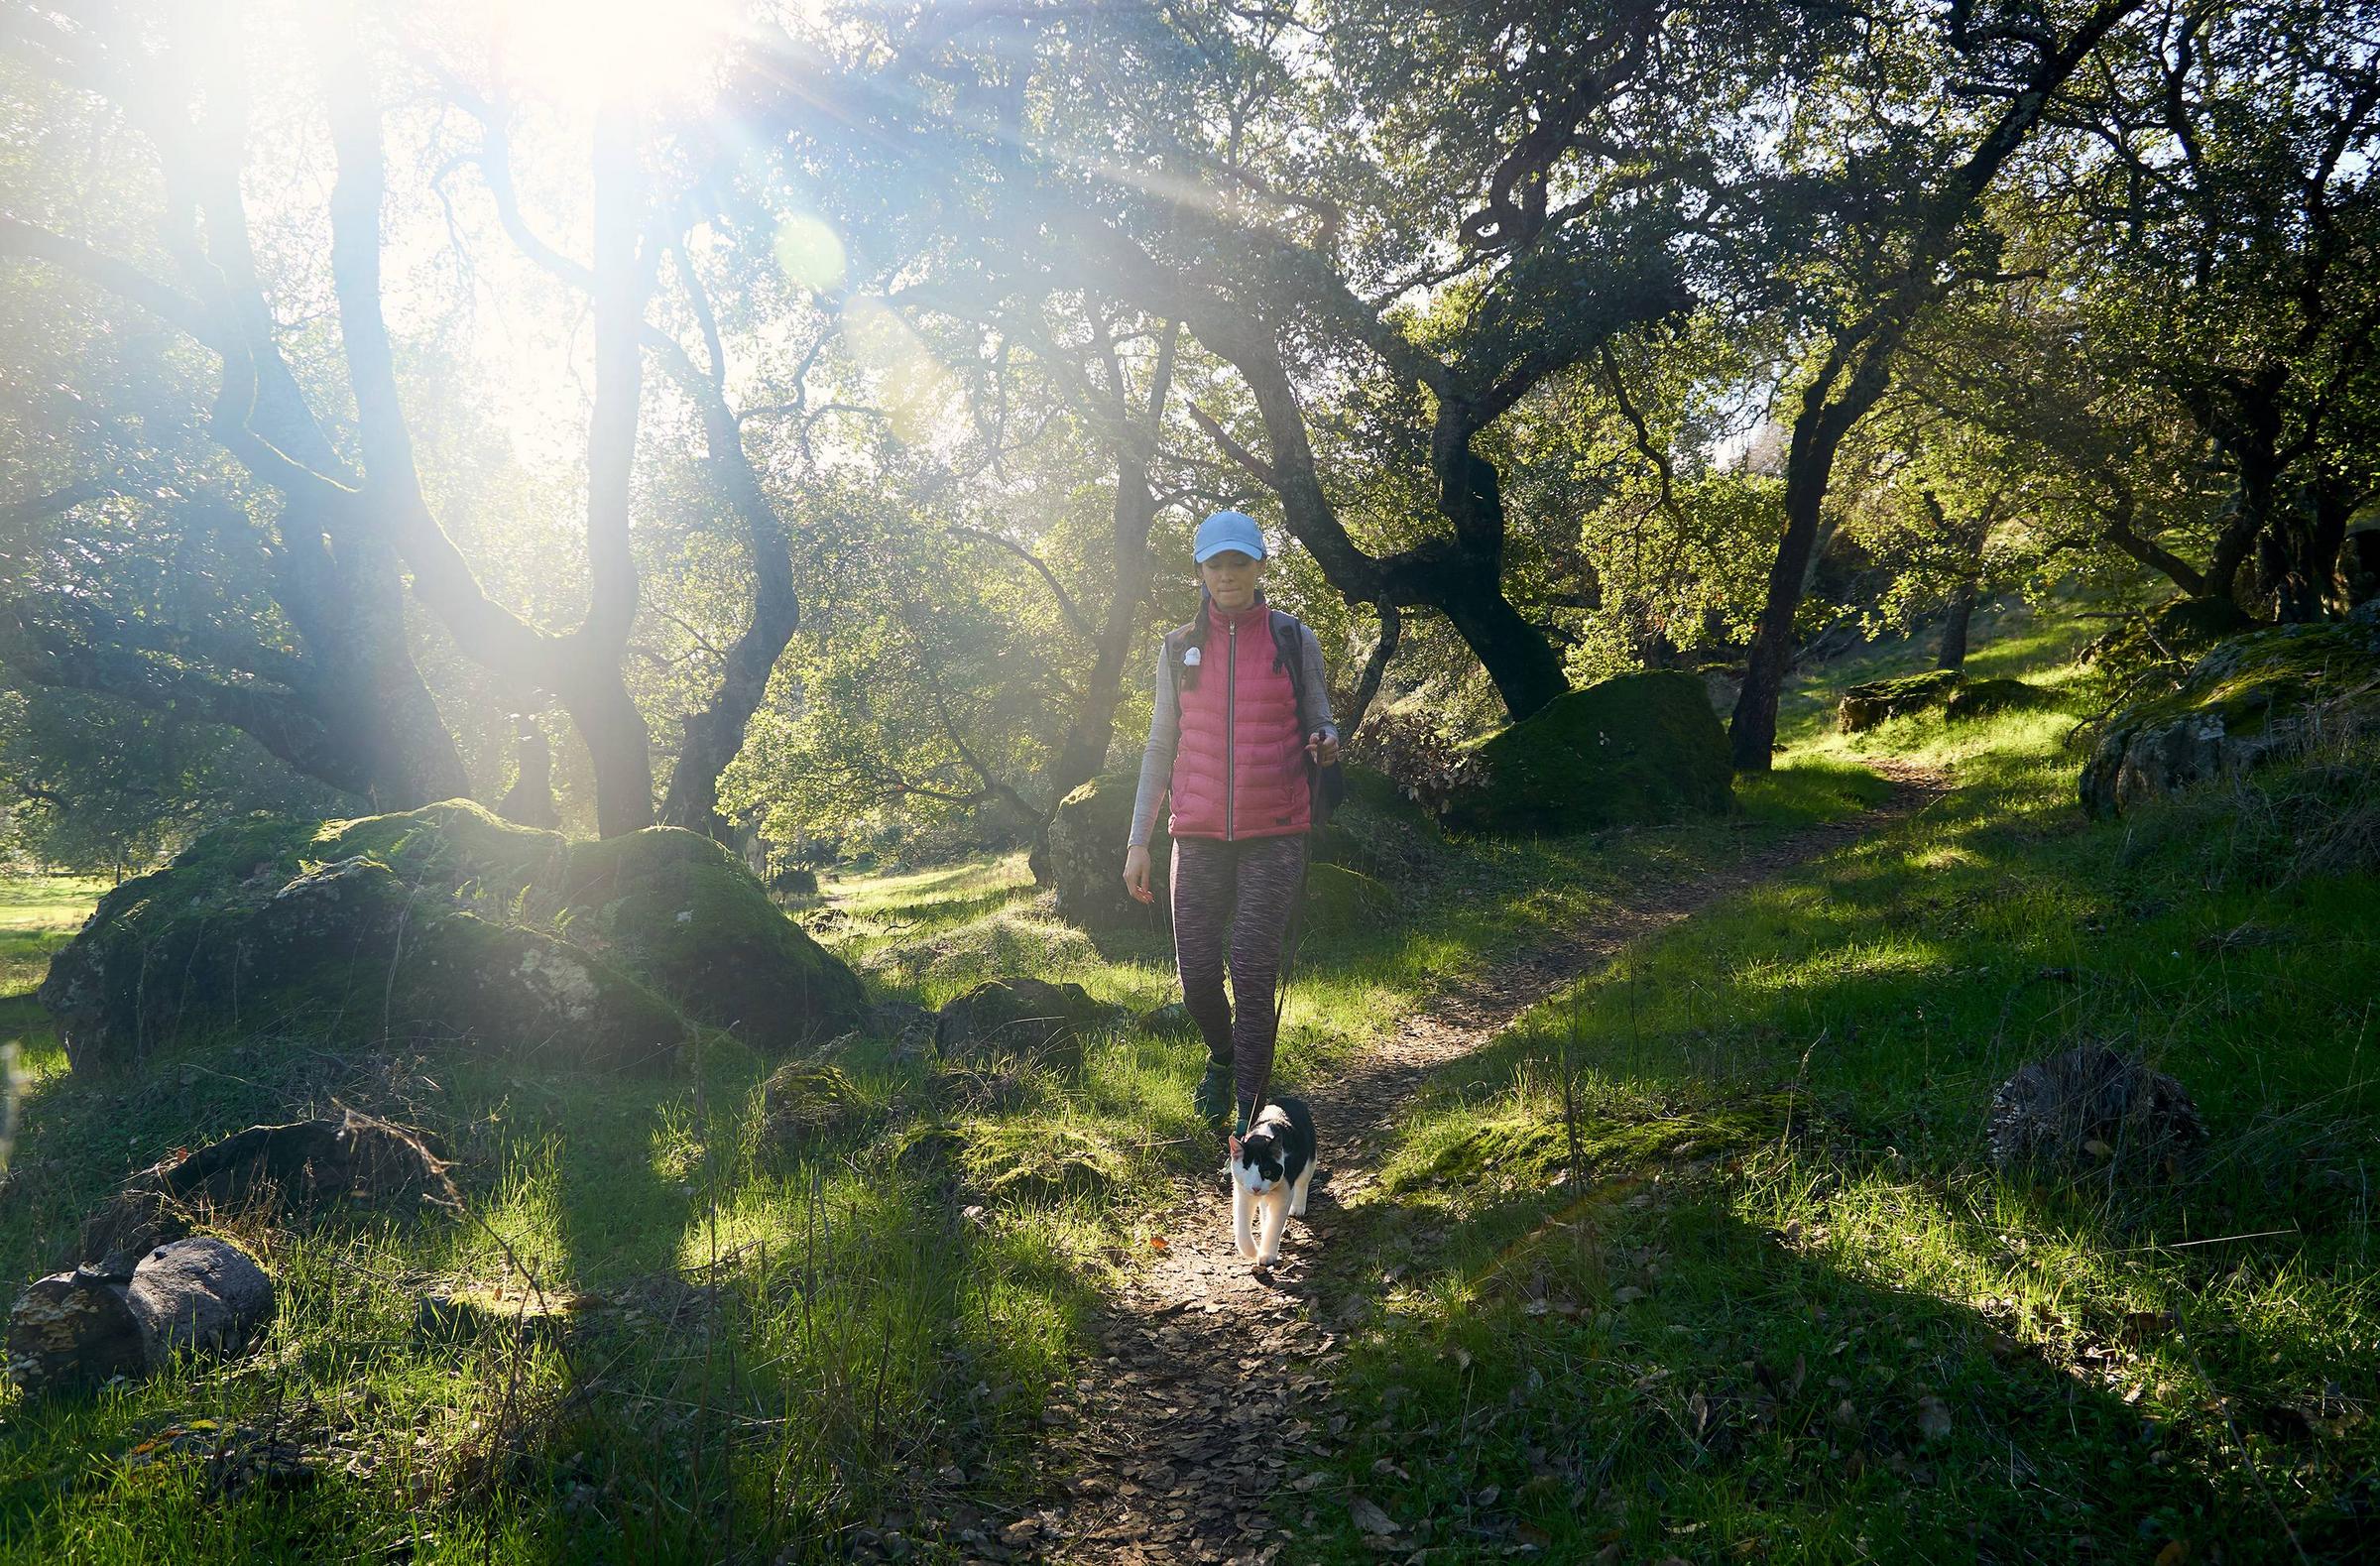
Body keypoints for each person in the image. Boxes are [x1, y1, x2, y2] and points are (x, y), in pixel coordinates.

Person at [1124, 510, 1340, 1139]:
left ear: (1259, 567)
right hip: (1194, 834)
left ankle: (1250, 1123)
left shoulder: (1293, 638)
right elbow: (1160, 746)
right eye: (1215, 563)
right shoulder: (1174, 649)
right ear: (1200, 571)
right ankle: (1224, 1059)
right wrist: (1139, 839)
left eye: (1239, 562)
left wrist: (1326, 740)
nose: (1227, 574)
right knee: (1196, 979)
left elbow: (1320, 720)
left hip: (1276, 830)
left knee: (1250, 967)